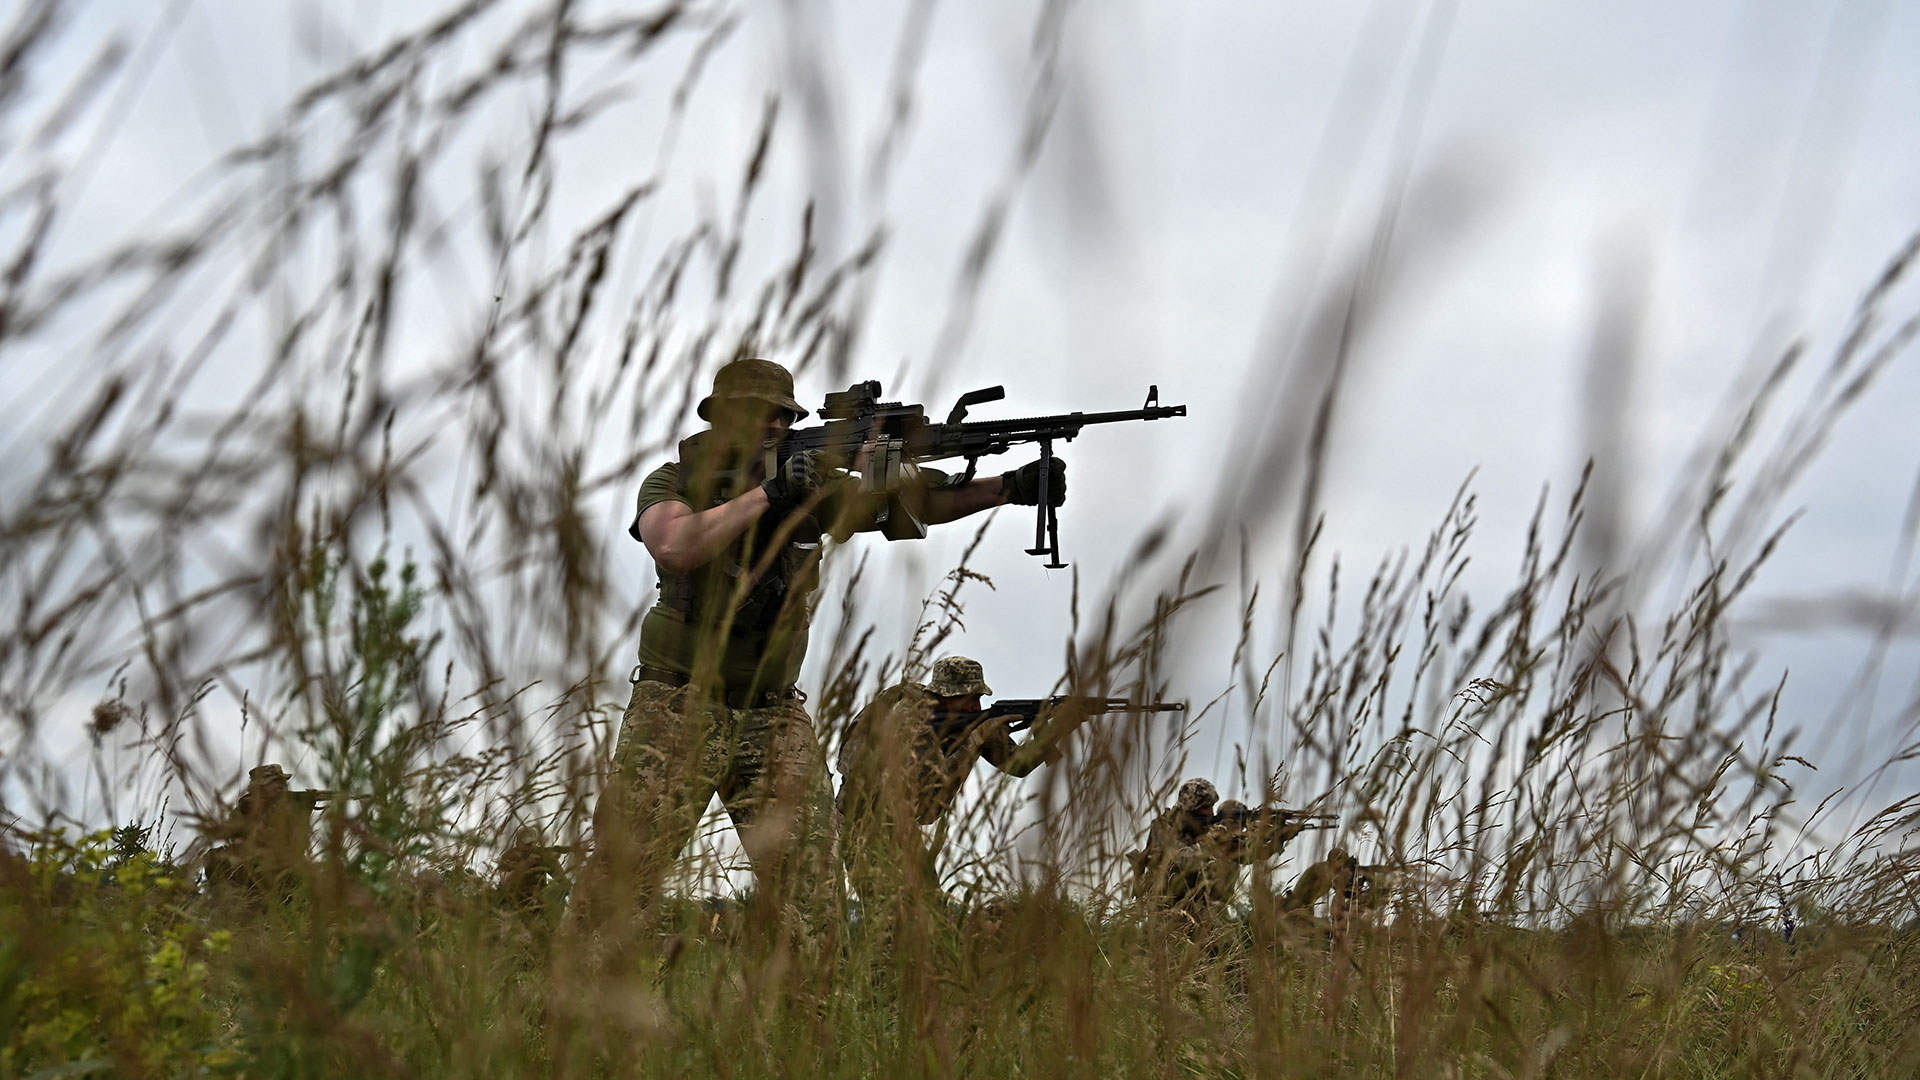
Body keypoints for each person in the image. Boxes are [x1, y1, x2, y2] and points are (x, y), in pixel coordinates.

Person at [573, 358, 1064, 950]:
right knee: (622, 885)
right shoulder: (675, 482)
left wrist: (1006, 488)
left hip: (774, 714)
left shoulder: (816, 493)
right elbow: (676, 545)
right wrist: (771, 492)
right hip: (678, 703)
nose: (774, 426)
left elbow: (913, 502)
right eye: (760, 414)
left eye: (784, 417)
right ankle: (565, 1020)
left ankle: (801, 1026)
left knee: (815, 900)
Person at [835, 655, 1069, 905]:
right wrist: (974, 740)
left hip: (901, 828)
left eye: (979, 698)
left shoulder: (971, 722)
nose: (976, 707)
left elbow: (1019, 765)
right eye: (969, 699)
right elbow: (923, 805)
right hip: (863, 825)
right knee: (893, 920)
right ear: (946, 695)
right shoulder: (909, 714)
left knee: (931, 914)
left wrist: (1054, 730)